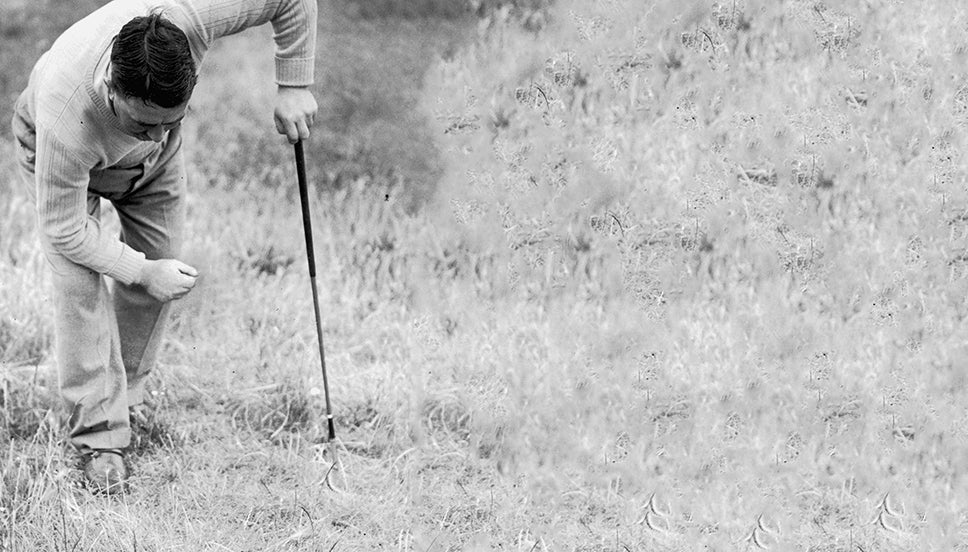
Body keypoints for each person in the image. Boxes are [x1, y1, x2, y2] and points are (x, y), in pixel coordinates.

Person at [10, 0, 318, 493]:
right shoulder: (65, 115)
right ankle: (99, 439)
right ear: (111, 86)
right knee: (80, 285)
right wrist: (141, 271)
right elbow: (65, 229)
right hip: (61, 158)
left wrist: (294, 85)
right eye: (144, 124)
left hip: (150, 173)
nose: (157, 136)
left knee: (161, 261)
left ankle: (125, 399)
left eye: (171, 121)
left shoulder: (188, 19)